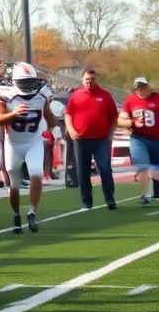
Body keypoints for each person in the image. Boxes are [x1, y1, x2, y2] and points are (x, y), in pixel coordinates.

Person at [0, 63, 61, 230]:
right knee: (14, 185)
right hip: (13, 144)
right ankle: (16, 214)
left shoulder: (42, 96)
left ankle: (32, 212)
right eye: (24, 82)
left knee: (36, 174)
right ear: (15, 82)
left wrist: (55, 130)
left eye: (31, 81)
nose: (28, 85)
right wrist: (13, 114)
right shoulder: (7, 96)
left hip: (33, 142)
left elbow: (49, 115)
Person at [64, 68, 119, 211]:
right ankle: (86, 202)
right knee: (82, 171)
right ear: (83, 80)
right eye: (87, 80)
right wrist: (70, 128)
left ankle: (110, 198)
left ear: (96, 80)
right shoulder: (76, 96)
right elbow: (68, 114)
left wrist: (111, 132)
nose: (89, 82)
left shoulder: (105, 96)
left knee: (105, 169)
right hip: (81, 139)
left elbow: (114, 115)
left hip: (101, 139)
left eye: (92, 80)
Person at [118, 76, 159, 207]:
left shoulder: (157, 97)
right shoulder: (130, 100)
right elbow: (120, 120)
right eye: (138, 87)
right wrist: (130, 123)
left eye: (143, 86)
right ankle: (145, 195)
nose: (140, 89)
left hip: (157, 138)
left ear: (148, 86)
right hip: (138, 138)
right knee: (142, 165)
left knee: (155, 169)